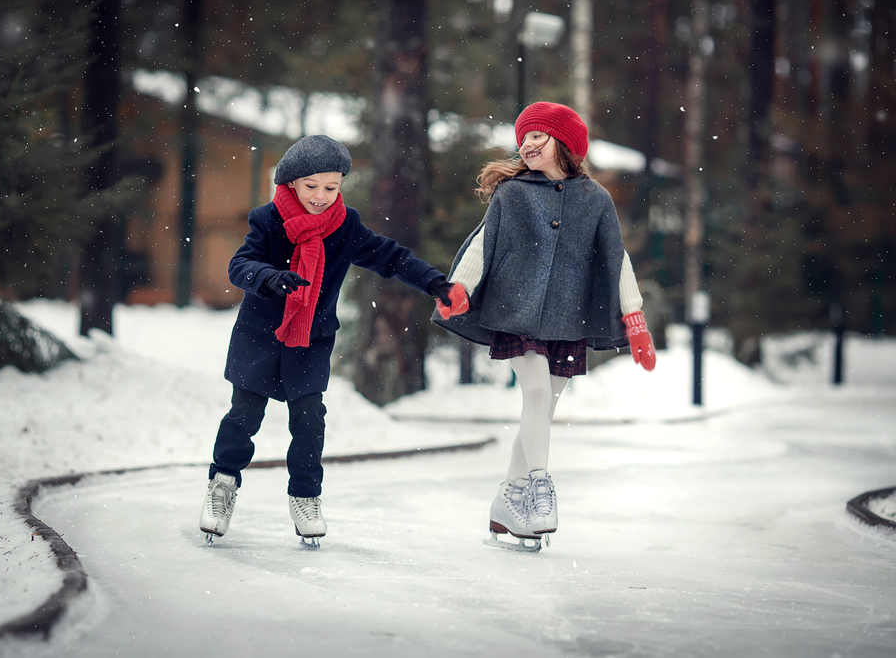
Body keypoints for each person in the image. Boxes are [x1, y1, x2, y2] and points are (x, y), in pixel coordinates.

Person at [199, 135, 456, 547]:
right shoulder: (267, 220)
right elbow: (239, 265)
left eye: (331, 187)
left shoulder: (345, 226)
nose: (321, 196)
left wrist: (435, 282)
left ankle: (305, 496)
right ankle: (223, 484)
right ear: (291, 184)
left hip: (309, 338)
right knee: (244, 415)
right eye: (311, 186)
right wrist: (271, 278)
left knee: (309, 418)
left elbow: (391, 256)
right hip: (260, 335)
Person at [432, 101, 656, 550]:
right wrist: (458, 288)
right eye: (525, 136)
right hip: (516, 309)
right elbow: (482, 243)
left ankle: (505, 502)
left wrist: (635, 320)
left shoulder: (595, 199)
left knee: (542, 410)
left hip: (567, 317)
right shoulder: (512, 194)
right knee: (534, 395)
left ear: (566, 144)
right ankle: (539, 488)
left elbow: (618, 261)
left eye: (539, 135)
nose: (528, 143)